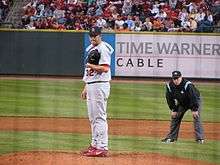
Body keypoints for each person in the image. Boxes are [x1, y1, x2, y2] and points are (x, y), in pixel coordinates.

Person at [81, 26, 114, 157]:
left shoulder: (103, 48)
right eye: (91, 35)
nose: (93, 38)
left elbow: (105, 68)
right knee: (93, 118)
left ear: (100, 35)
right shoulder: (91, 48)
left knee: (99, 117)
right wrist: (86, 87)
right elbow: (90, 72)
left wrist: (91, 66)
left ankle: (102, 147)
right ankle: (94, 145)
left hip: (100, 85)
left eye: (95, 35)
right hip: (91, 85)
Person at [161, 71, 205, 144]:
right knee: (175, 117)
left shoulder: (188, 85)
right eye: (174, 79)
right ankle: (171, 138)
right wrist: (174, 109)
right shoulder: (169, 85)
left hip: (195, 101)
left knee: (196, 117)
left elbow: (193, 97)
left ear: (181, 77)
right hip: (182, 103)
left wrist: (194, 109)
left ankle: (200, 139)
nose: (176, 80)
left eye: (177, 78)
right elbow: (169, 98)